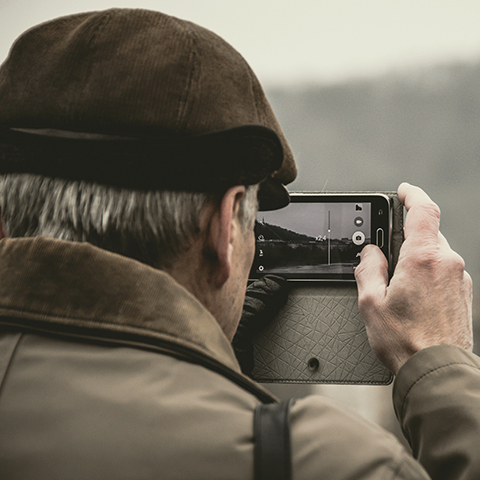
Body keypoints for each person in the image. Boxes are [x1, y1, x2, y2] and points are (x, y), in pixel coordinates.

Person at [0, 8, 477, 480]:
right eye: (252, 224)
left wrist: (205, 354)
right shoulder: (326, 462)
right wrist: (439, 362)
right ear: (224, 230)